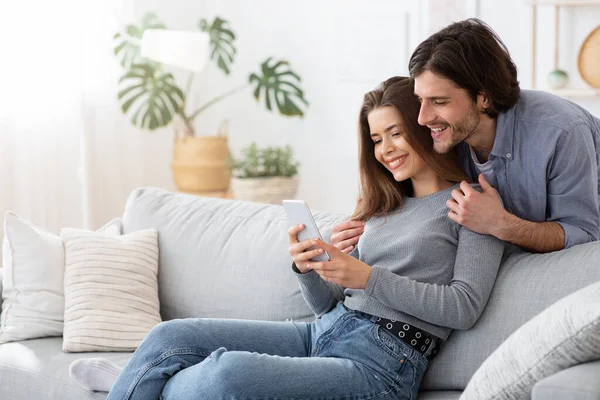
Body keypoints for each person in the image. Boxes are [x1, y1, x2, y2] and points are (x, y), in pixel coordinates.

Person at [68, 77, 504, 400]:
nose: (385, 148)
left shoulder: (472, 205)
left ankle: (135, 385)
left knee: (224, 376)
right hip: (325, 331)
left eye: (395, 132)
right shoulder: (381, 208)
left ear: (424, 124)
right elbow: (327, 306)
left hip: (382, 363)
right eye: (375, 139)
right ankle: (140, 382)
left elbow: (463, 307)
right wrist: (308, 266)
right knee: (168, 338)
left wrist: (366, 276)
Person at [333, 18, 600, 255]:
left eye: (439, 101)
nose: (422, 118)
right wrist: (366, 225)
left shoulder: (561, 131)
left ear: (484, 97)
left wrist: (501, 224)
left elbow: (585, 235)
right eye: (420, 100)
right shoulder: (446, 135)